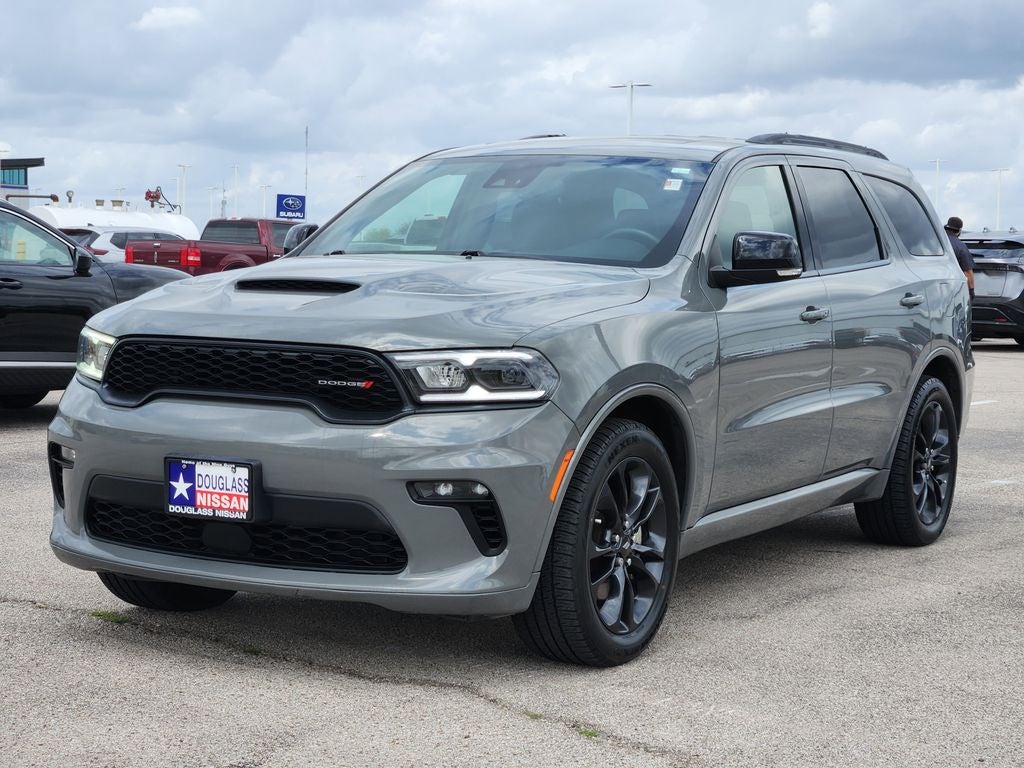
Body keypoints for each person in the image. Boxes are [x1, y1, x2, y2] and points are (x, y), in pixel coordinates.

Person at [944, 216, 975, 301]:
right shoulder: (960, 246)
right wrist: (971, 291)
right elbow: (968, 272)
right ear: (959, 231)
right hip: (952, 289)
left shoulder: (934, 241)